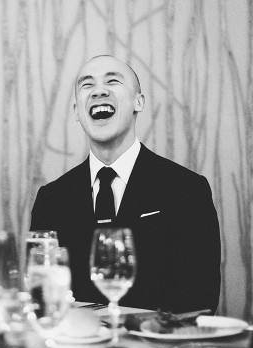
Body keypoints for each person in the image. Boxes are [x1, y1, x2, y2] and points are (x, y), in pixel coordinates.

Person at [30, 55, 220, 313]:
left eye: (112, 81)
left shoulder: (187, 190)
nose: (99, 91)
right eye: (87, 85)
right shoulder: (51, 199)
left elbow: (199, 297)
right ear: (76, 111)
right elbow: (42, 298)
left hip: (156, 339)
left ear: (138, 102)